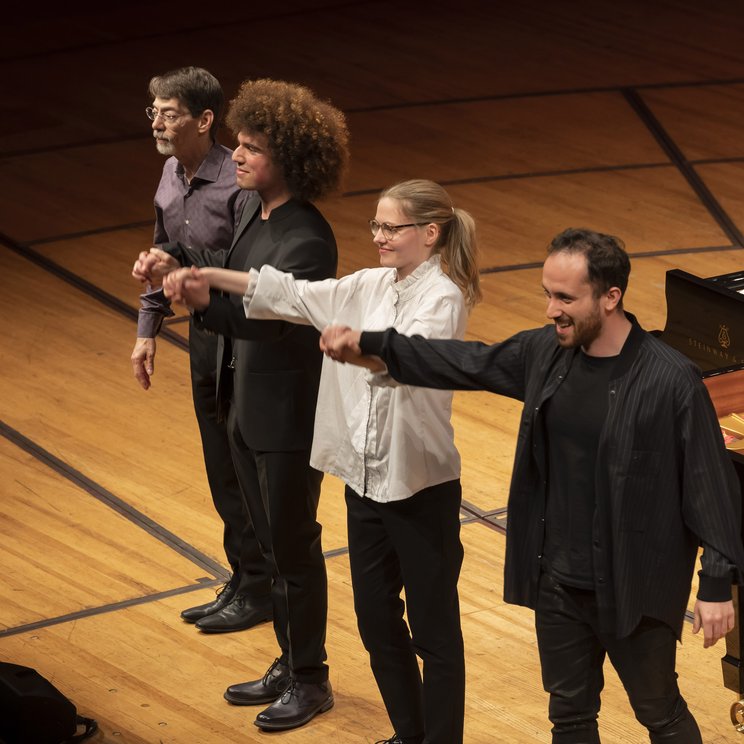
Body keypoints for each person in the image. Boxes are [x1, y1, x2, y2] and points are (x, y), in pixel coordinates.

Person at [320, 227, 744, 743]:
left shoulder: (670, 380)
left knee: (659, 712)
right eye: (548, 294)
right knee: (568, 715)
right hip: (559, 582)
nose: (550, 310)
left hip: (633, 584)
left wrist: (717, 585)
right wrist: (373, 345)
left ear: (611, 297)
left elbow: (709, 483)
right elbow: (466, 361)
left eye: (566, 297)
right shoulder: (545, 353)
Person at [163, 179, 481, 744]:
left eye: (391, 228)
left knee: (434, 633)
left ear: (429, 233)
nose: (379, 237)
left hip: (418, 489)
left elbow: (410, 357)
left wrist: (355, 348)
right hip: (364, 486)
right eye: (376, 226)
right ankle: (409, 734)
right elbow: (290, 294)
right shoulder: (369, 284)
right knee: (377, 624)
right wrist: (211, 278)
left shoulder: (444, 296)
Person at [134, 78, 349, 732]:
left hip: (285, 419)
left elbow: (268, 315)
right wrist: (174, 259)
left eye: (254, 147)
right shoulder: (259, 217)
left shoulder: (306, 236)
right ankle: (289, 659)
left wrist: (201, 299)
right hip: (248, 407)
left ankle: (311, 678)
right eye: (243, 144)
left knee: (294, 548)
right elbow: (225, 264)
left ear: (288, 157)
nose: (240, 155)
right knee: (273, 545)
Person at [130, 66, 271, 633]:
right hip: (202, 336)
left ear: (204, 119)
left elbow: (240, 275)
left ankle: (261, 587)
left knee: (242, 463)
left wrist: (179, 271)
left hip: (240, 335)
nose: (158, 123)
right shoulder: (169, 173)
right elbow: (162, 250)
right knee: (218, 463)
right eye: (154, 112)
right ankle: (243, 575)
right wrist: (147, 328)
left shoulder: (236, 184)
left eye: (169, 113)